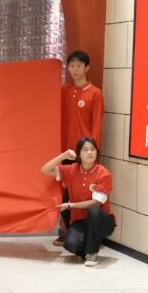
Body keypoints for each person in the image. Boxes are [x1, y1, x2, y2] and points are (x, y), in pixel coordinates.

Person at [41, 137, 114, 267]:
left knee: (94, 212)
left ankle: (92, 253)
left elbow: (96, 203)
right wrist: (63, 155)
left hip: (102, 221)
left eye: (92, 149)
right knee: (70, 244)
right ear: (79, 154)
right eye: (85, 150)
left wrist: (70, 205)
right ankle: (86, 250)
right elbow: (45, 170)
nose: (90, 152)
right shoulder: (71, 170)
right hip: (80, 221)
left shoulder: (103, 173)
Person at [57, 50, 103, 244]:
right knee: (63, 191)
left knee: (82, 193)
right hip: (64, 151)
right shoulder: (65, 91)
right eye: (71, 66)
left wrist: (91, 153)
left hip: (83, 153)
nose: (75, 70)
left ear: (87, 68)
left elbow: (97, 126)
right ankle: (67, 231)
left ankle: (83, 233)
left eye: (79, 66)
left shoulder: (95, 93)